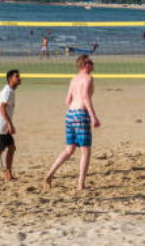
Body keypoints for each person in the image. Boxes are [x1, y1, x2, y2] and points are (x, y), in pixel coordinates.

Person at [44, 56, 101, 191]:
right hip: (81, 114)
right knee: (85, 150)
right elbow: (86, 97)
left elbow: (67, 101)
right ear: (85, 65)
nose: (93, 64)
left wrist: (76, 107)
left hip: (70, 114)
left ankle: (49, 174)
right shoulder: (88, 78)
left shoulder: (74, 79)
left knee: (69, 150)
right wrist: (93, 117)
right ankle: (81, 184)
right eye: (90, 62)